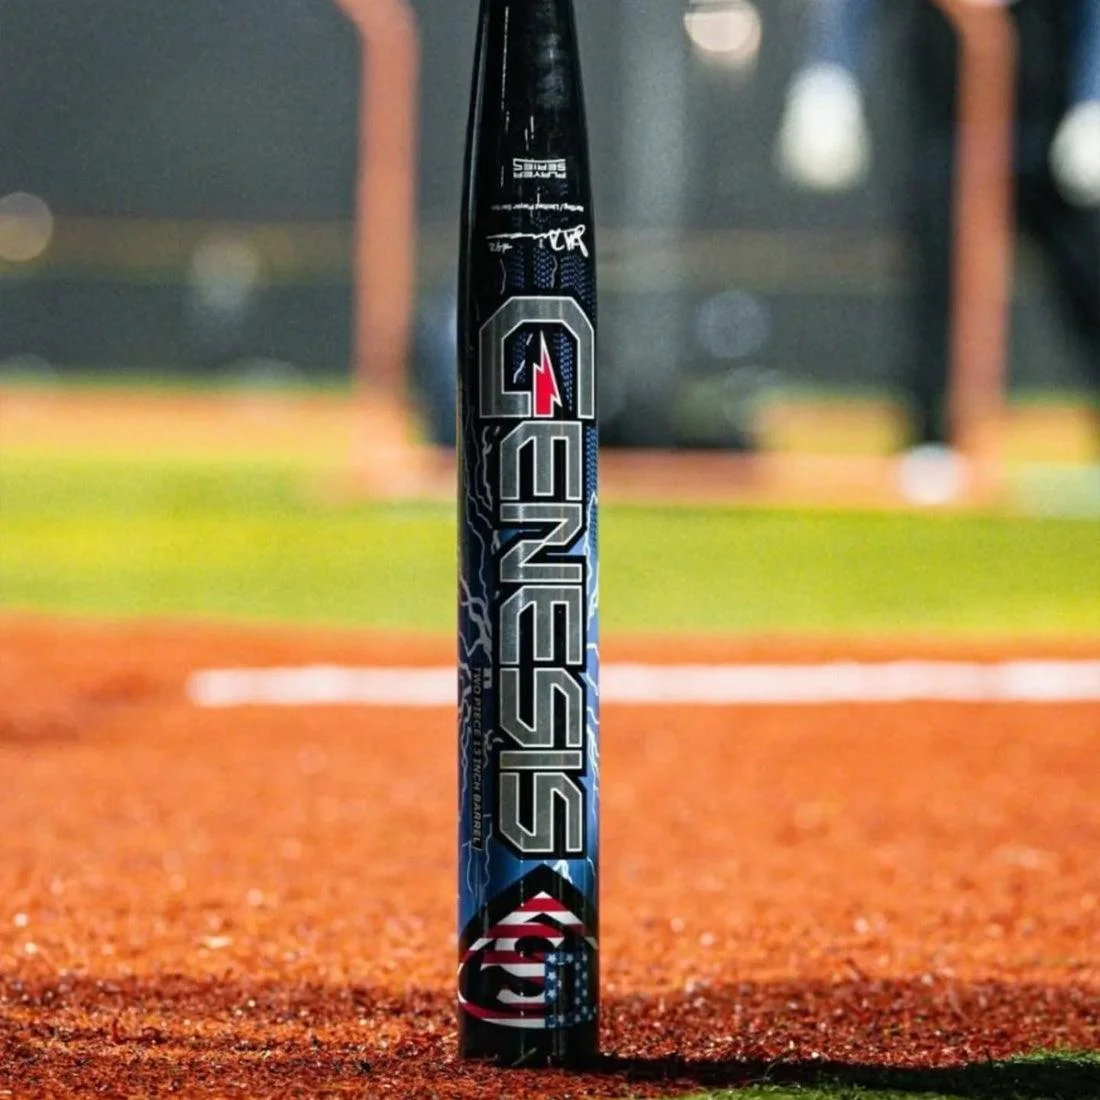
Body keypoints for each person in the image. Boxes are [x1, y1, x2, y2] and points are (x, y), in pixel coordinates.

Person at [775, 0, 1100, 469]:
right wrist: (829, 77)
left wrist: (1091, 97)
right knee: (936, 282)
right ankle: (931, 438)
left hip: (1043, 128)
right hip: (946, 129)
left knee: (1088, 279)